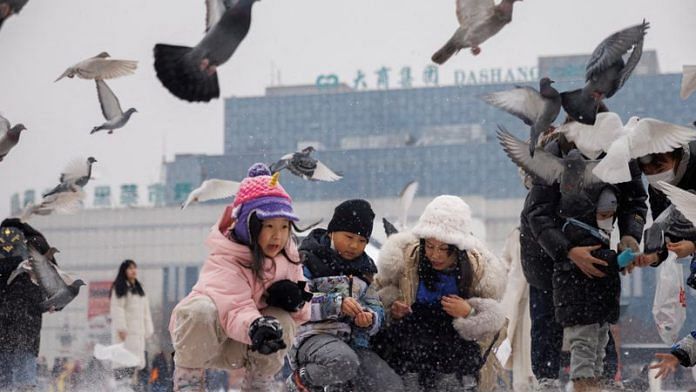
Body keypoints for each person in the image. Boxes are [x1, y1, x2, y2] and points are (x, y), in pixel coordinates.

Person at [523, 114, 648, 390]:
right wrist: (567, 251)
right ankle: (548, 380)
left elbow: (635, 200)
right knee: (549, 315)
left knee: (600, 314)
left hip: (596, 242)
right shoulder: (552, 155)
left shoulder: (619, 151)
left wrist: (630, 235)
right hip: (545, 244)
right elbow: (537, 213)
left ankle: (604, 377)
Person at [169, 163, 312, 391]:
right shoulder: (225, 257)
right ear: (249, 226)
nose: (278, 235)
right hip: (210, 340)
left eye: (285, 226)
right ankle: (189, 381)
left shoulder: (289, 258)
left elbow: (304, 313)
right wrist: (256, 326)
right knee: (199, 311)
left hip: (247, 347)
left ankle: (259, 382)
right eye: (269, 226)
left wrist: (296, 301)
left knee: (281, 321)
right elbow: (233, 307)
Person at [373, 195, 506, 391]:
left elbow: (496, 329)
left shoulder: (479, 271)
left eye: (444, 249)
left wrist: (468, 312)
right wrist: (392, 310)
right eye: (430, 246)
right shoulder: (404, 259)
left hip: (453, 352)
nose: (435, 255)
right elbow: (373, 298)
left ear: (458, 249)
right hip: (408, 346)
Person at [287, 199, 403, 391]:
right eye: (349, 237)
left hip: (353, 343)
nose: (354, 246)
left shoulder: (365, 271)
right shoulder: (306, 260)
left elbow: (376, 307)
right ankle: (301, 380)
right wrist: (335, 304)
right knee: (343, 362)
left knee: (391, 386)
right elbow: (297, 301)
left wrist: (369, 318)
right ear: (332, 231)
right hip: (311, 338)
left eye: (362, 241)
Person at [551, 186, 623, 391]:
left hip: (596, 308)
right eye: (603, 215)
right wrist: (623, 258)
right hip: (583, 308)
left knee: (598, 346)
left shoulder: (594, 234)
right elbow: (603, 261)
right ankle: (583, 383)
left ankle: (594, 380)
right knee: (584, 347)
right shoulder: (580, 235)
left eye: (610, 216)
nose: (607, 220)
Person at [0, 218, 61, 391]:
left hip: (3, 314)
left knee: (4, 377)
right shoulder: (36, 241)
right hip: (28, 313)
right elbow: (53, 276)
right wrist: (56, 303)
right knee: (24, 370)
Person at [632, 141, 696, 268]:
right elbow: (667, 230)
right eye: (648, 173)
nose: (656, 177)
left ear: (677, 156)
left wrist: (693, 245)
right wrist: (654, 255)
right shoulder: (658, 188)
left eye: (660, 169)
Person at [110, 259, 154, 386]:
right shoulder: (120, 287)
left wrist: (148, 329)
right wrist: (121, 328)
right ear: (124, 271)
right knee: (123, 367)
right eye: (130, 268)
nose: (133, 270)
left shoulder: (140, 290)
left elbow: (146, 312)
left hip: (137, 335)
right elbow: (117, 309)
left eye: (134, 268)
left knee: (133, 368)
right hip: (125, 335)